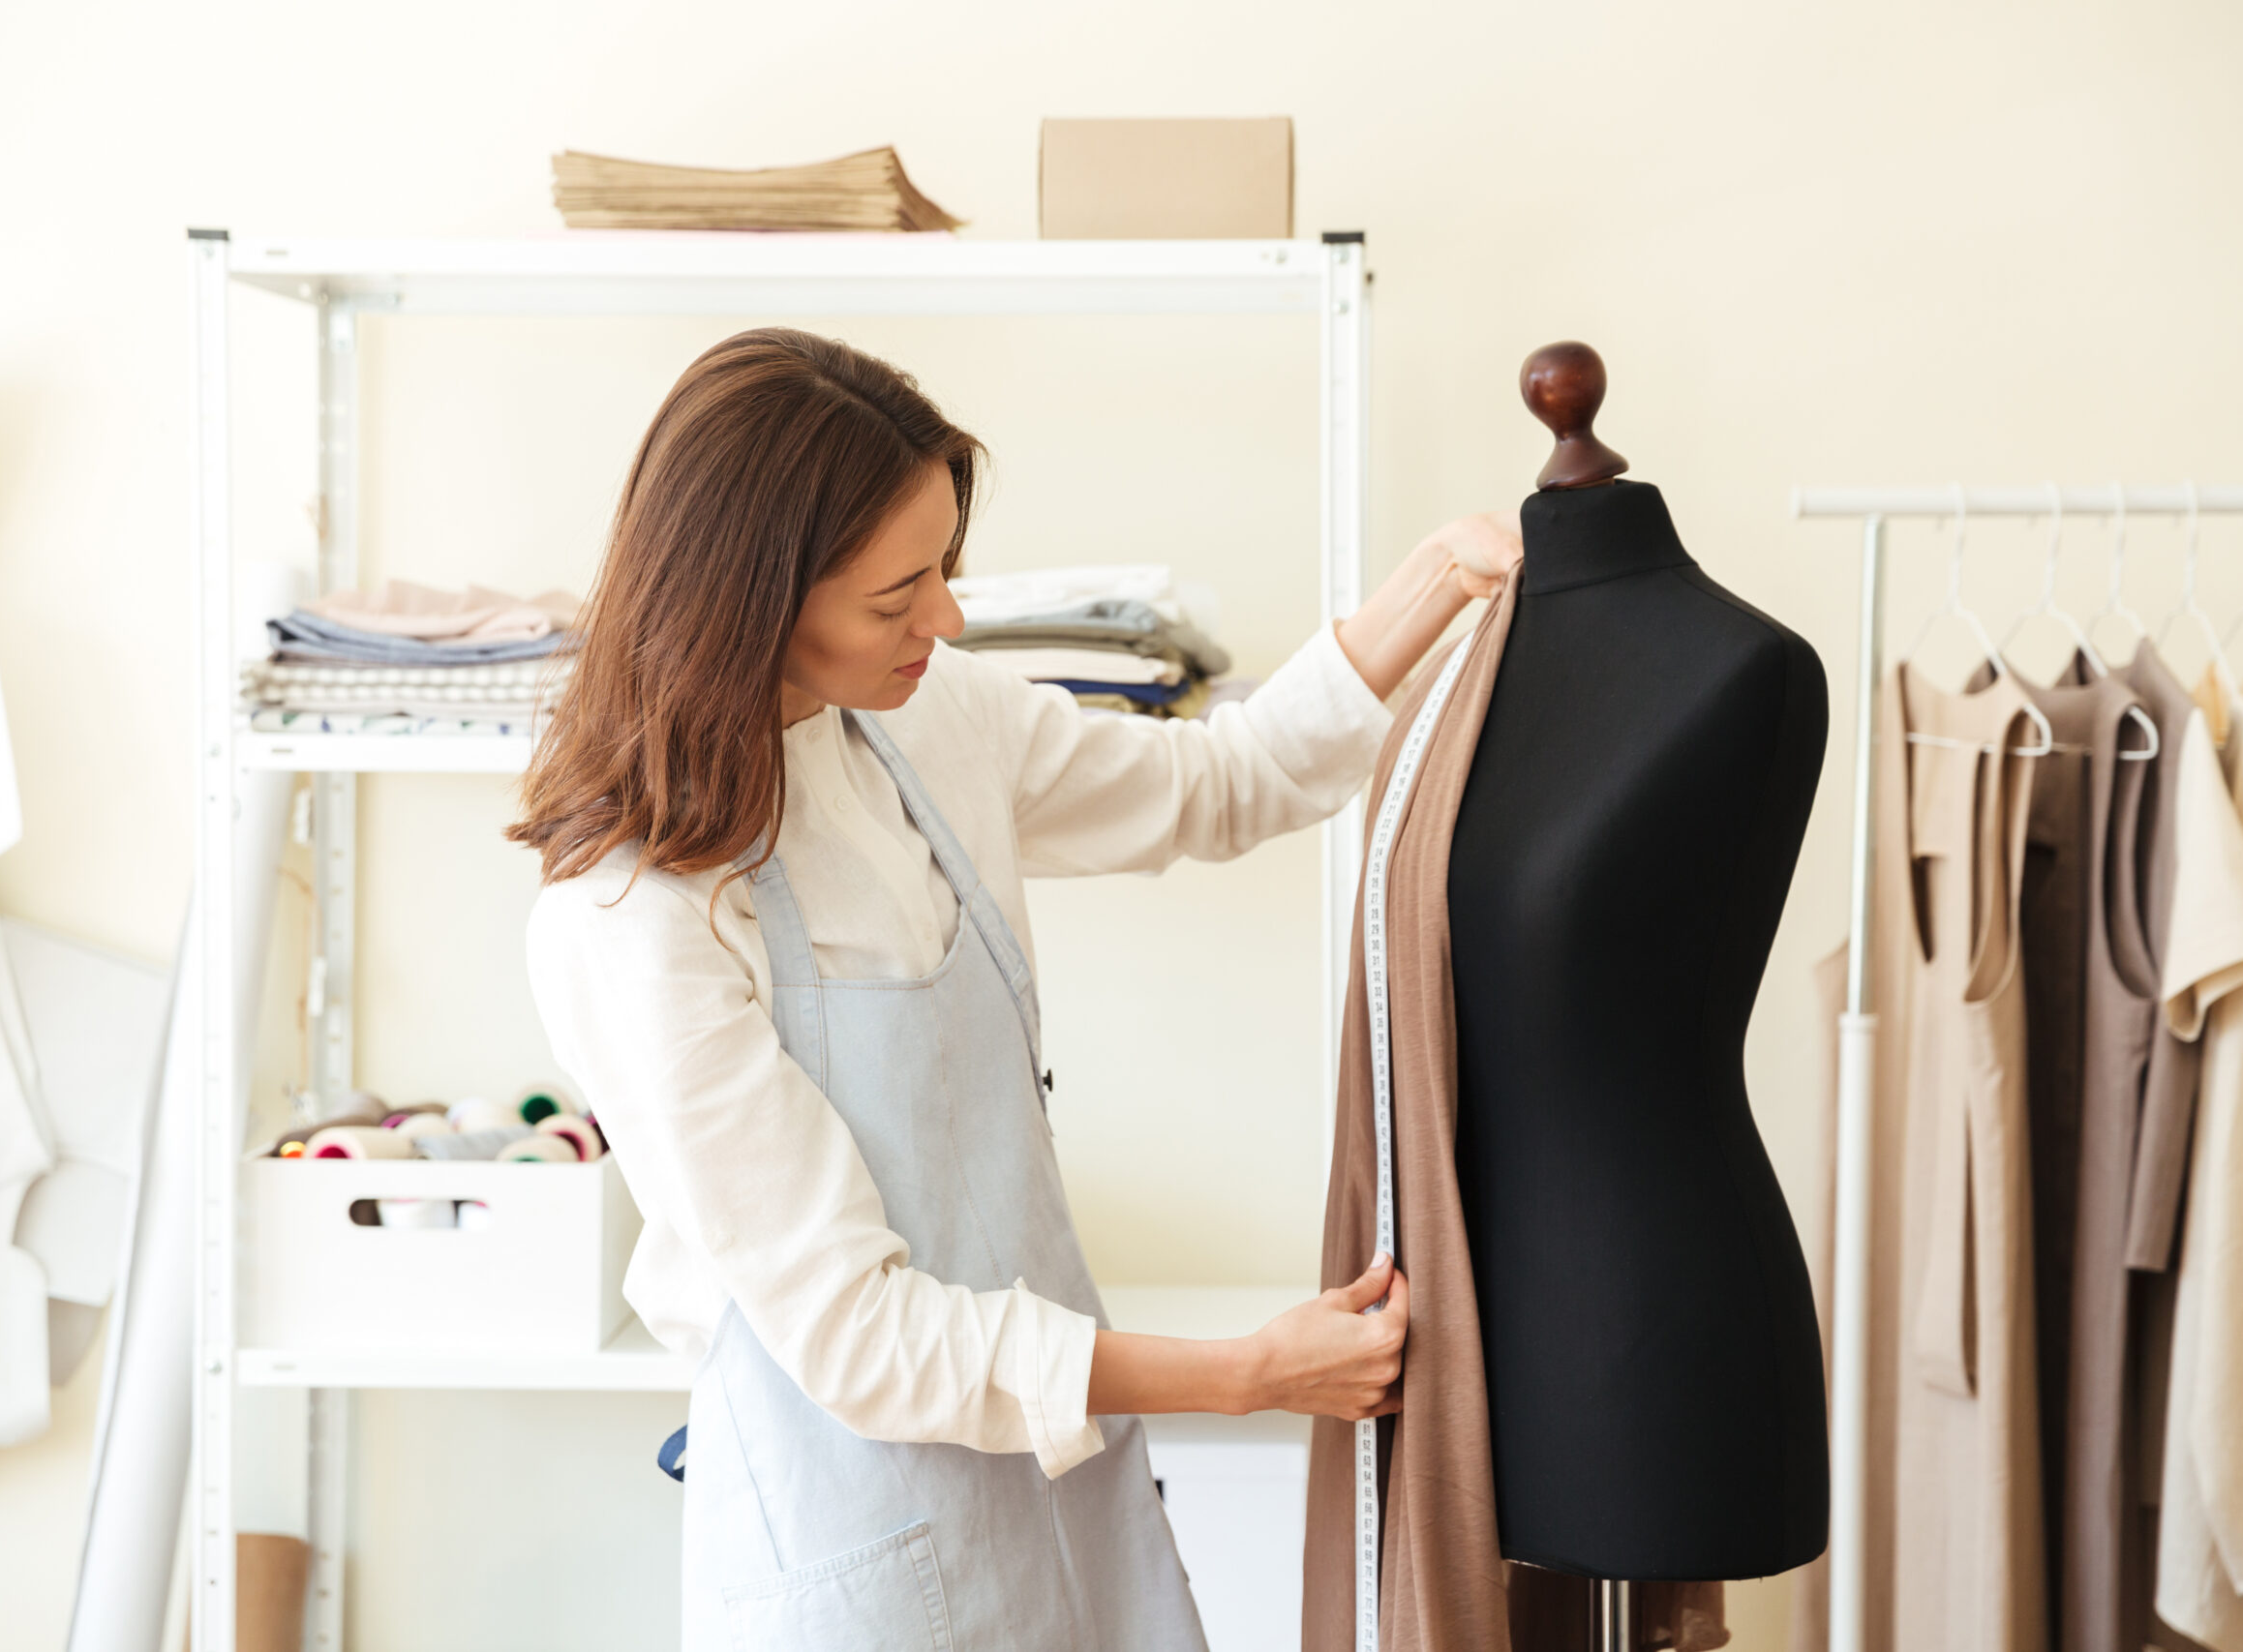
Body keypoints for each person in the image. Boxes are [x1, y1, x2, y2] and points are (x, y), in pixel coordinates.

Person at [514, 327, 1516, 1650]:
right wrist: (1244, 1377)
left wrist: (1437, 583)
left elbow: (1222, 786)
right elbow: (863, 1335)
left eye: (946, 570)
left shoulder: (934, 720)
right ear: (750, 601)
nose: (946, 619)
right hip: (855, 1535)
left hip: (1062, 1485)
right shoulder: (631, 911)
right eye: (896, 595)